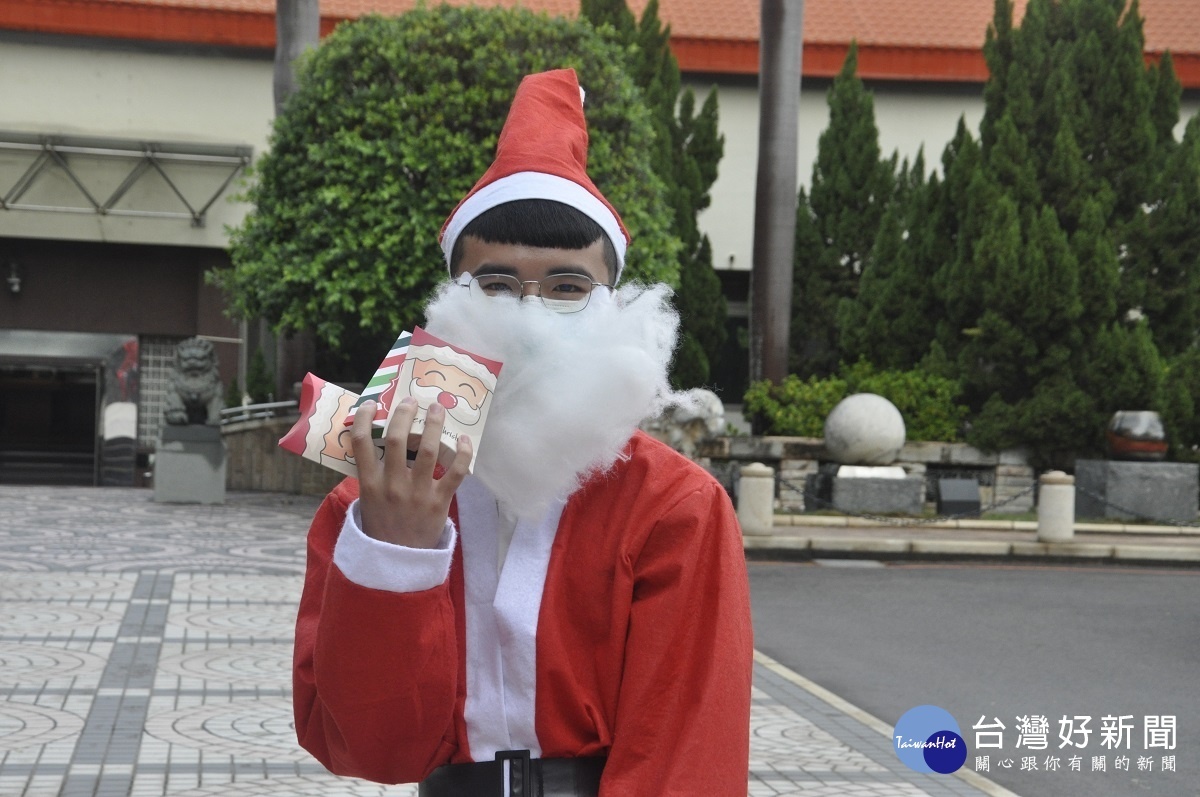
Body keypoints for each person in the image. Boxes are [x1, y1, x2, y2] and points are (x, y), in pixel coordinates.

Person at [292, 68, 753, 797]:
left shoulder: (675, 506)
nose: (531, 314)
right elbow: (371, 750)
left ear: (614, 302)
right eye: (497, 284)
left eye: (568, 287)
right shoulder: (367, 500)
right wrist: (395, 550)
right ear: (452, 297)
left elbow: (685, 756)